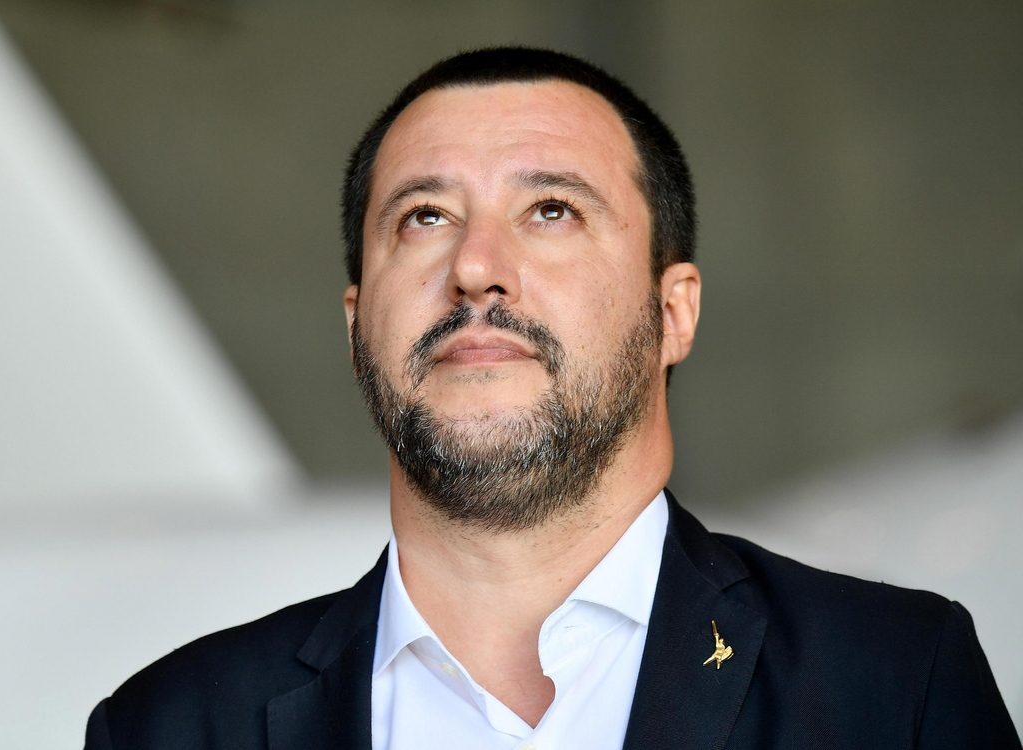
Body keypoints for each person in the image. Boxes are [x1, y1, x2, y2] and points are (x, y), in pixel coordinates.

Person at [85, 47, 1020, 749]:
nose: (476, 267)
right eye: (424, 217)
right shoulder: (169, 727)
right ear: (357, 322)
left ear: (673, 313)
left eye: (551, 210)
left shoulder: (895, 686)